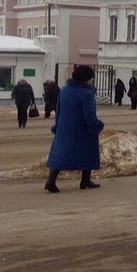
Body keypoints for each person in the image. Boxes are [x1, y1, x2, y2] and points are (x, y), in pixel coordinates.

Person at [45, 65, 104, 193]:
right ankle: (85, 180)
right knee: (88, 152)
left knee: (61, 154)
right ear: (87, 79)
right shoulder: (87, 94)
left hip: (64, 127)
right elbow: (89, 116)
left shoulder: (65, 90)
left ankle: (51, 180)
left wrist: (57, 126)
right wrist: (96, 126)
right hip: (82, 129)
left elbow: (58, 110)